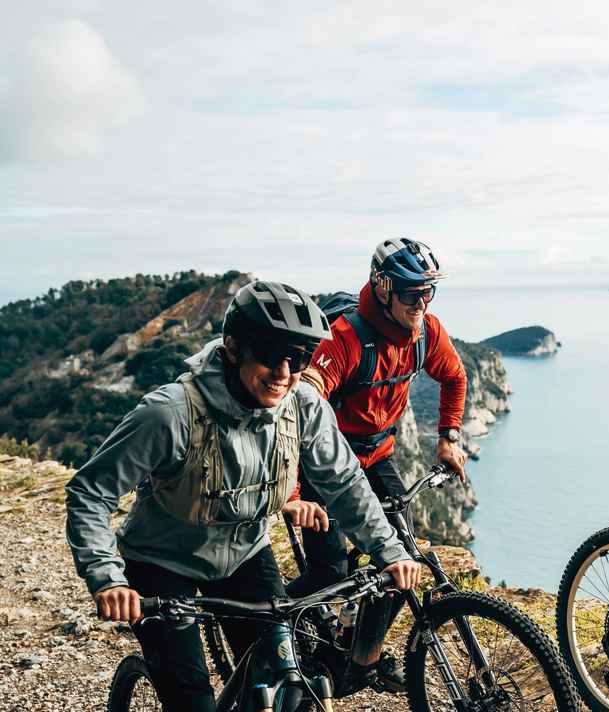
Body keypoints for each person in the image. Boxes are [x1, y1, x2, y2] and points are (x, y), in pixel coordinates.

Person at [65, 281, 421, 712]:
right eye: (271, 354)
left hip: (245, 552)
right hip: (160, 562)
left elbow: (344, 483)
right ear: (233, 348)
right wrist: (107, 578)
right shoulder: (170, 414)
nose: (285, 373)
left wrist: (390, 551)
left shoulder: (303, 405)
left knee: (284, 682)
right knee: (192, 699)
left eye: (300, 358)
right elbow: (89, 491)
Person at [285, 237, 468, 689]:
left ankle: (360, 663)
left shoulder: (427, 333)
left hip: (378, 453)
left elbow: (455, 376)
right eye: (412, 293)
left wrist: (448, 437)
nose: (422, 303)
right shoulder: (344, 339)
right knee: (330, 572)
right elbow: (300, 407)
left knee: (401, 562)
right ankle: (272, 619)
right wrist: (290, 492)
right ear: (384, 289)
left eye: (428, 292)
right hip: (325, 464)